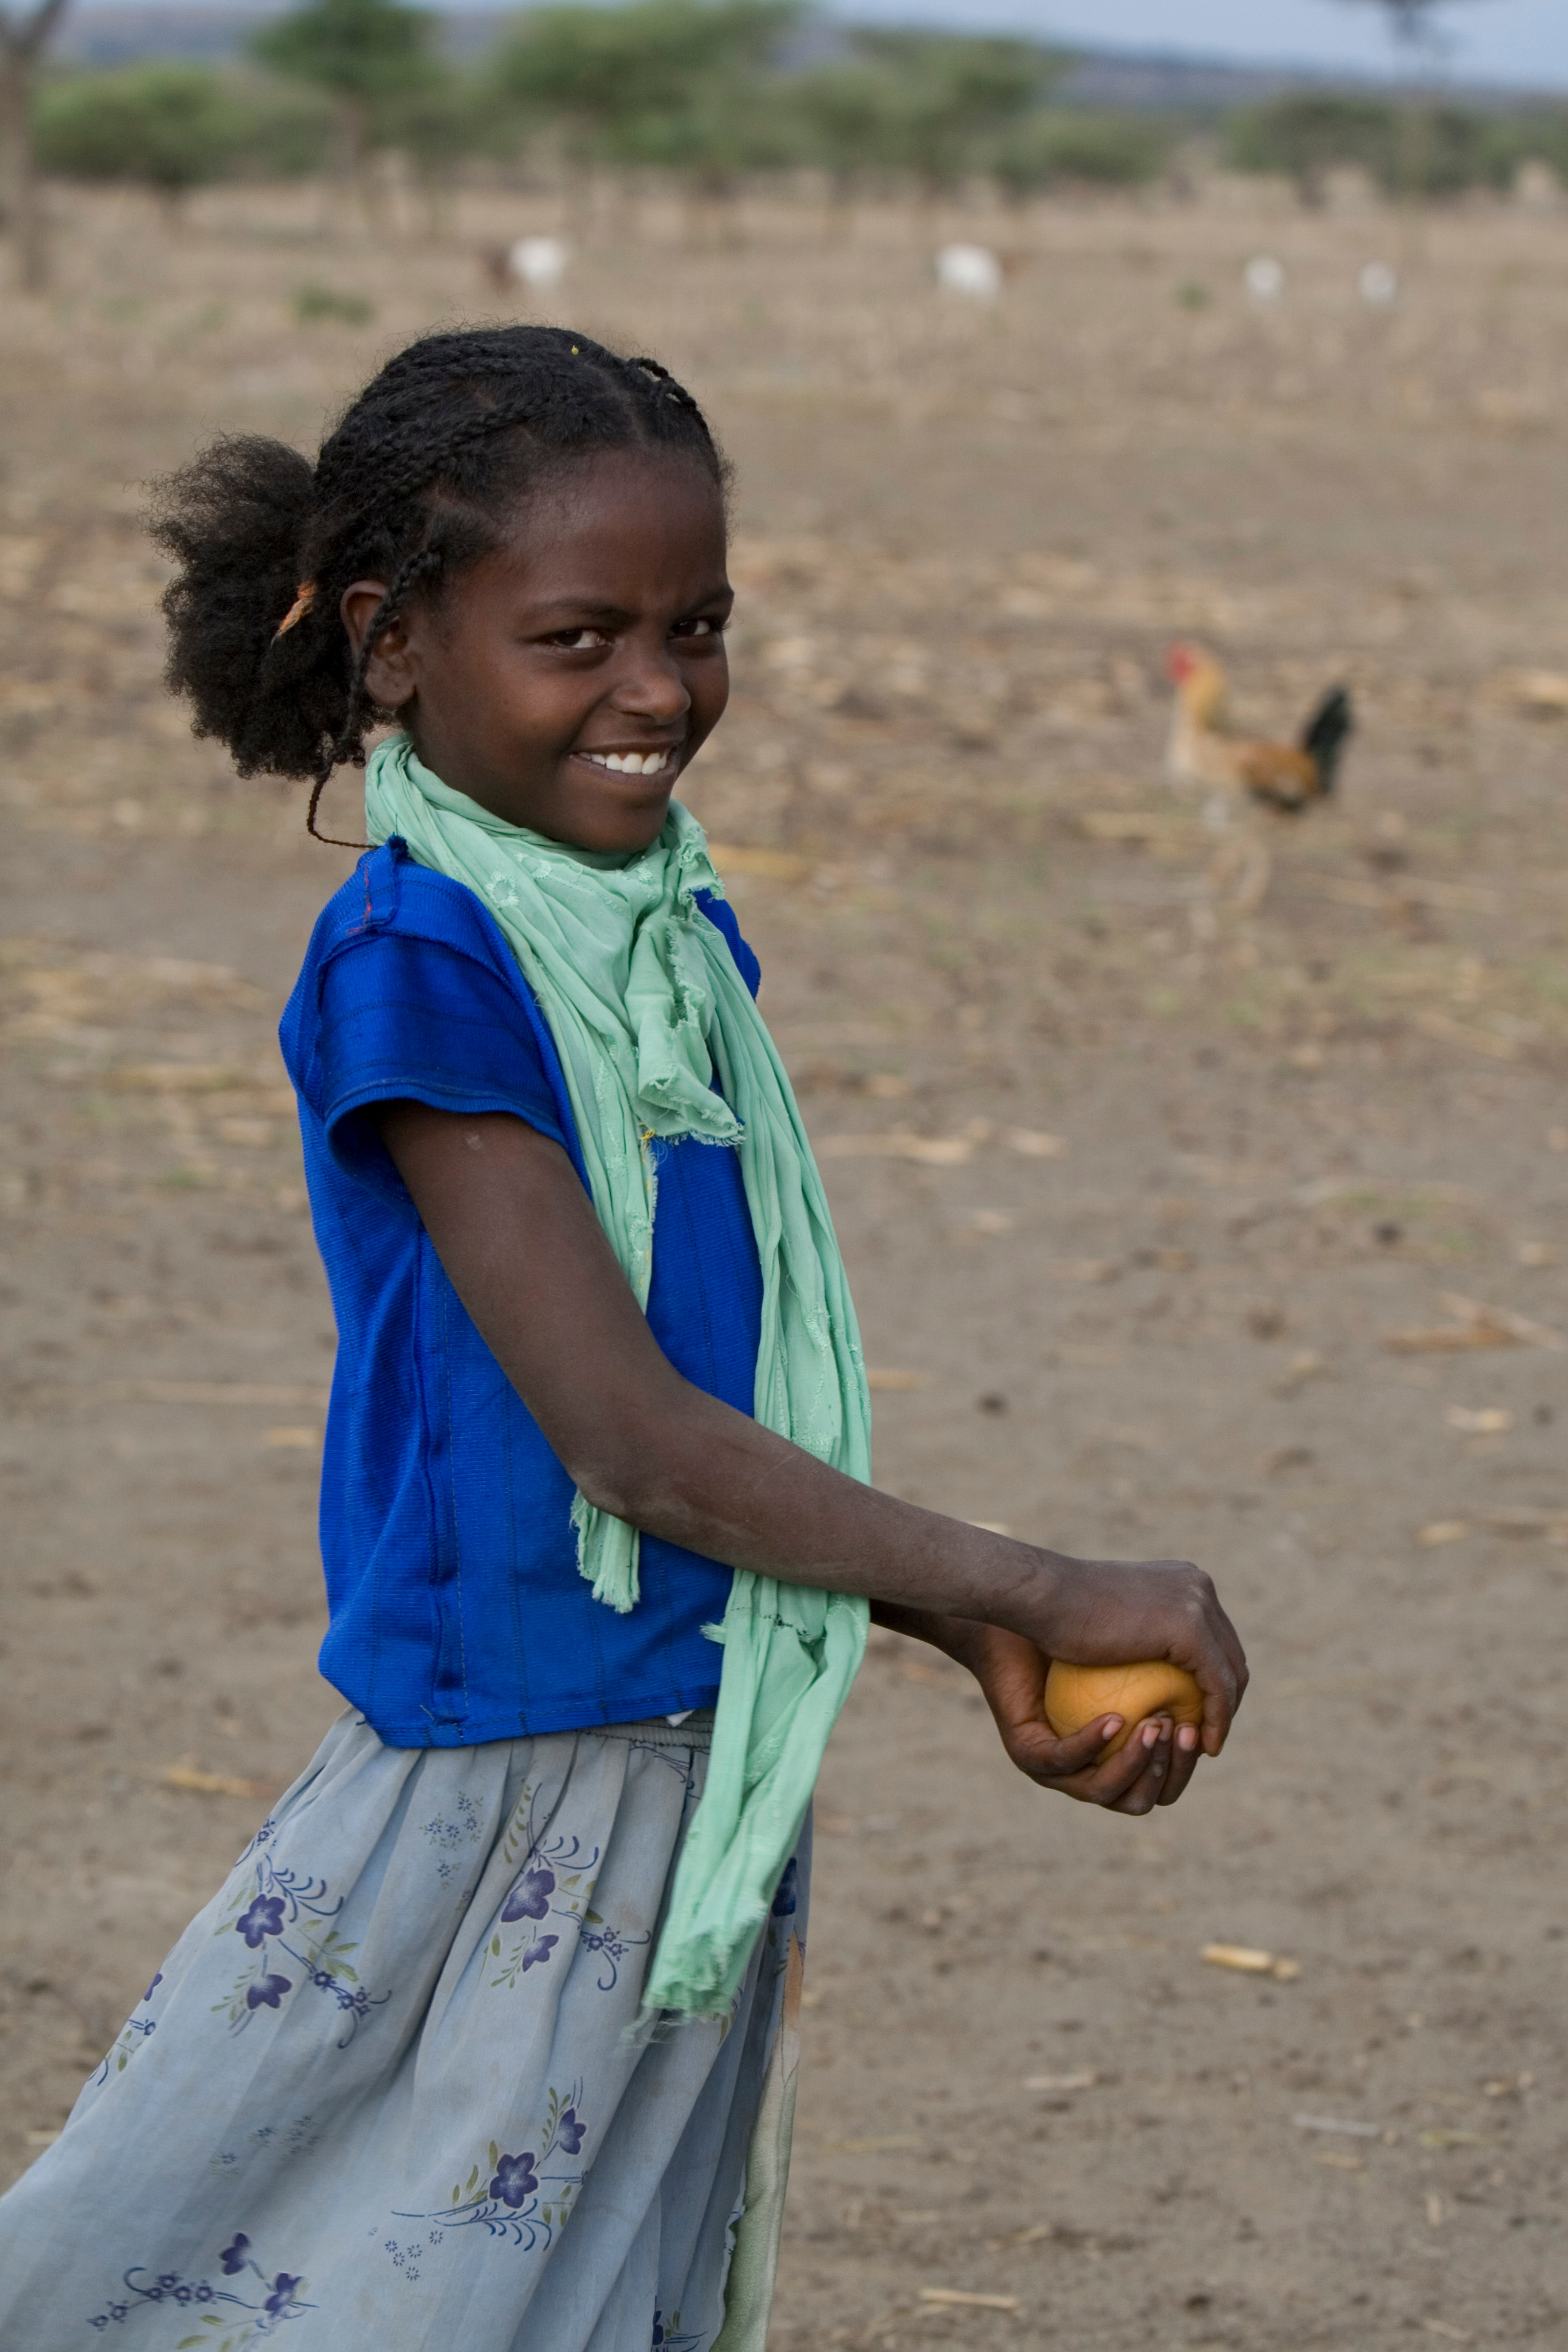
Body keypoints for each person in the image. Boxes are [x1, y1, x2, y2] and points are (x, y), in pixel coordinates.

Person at [0, 325, 1246, 2351]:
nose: (659, 688)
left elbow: (711, 1429)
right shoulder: (426, 955)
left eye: (700, 625)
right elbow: (637, 1444)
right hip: (507, 1782)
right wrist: (1041, 1576)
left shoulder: (660, 932)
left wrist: (965, 1638)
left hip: (690, 1761)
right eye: (579, 635)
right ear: (396, 644)